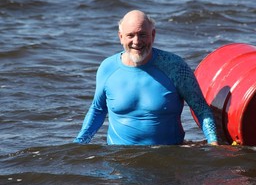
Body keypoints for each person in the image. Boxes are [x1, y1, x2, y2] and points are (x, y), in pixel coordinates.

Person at [74, 10, 218, 145]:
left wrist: (213, 144)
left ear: (153, 35)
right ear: (121, 37)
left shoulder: (175, 66)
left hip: (168, 156)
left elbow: (201, 110)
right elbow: (97, 110)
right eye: (130, 35)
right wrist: (79, 144)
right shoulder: (107, 68)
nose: (137, 41)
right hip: (119, 158)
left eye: (143, 34)